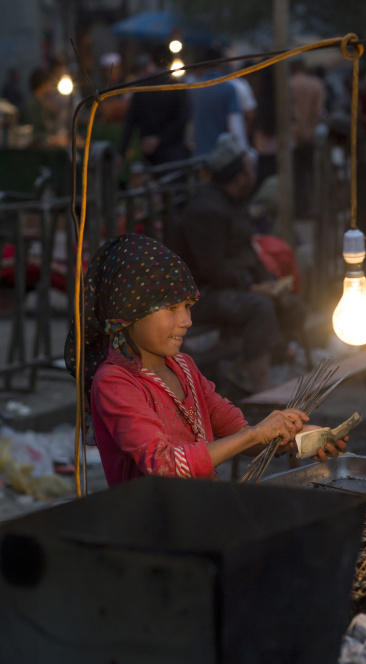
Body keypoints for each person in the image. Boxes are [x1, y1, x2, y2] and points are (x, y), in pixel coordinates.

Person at [64, 233, 347, 487]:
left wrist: (298, 438)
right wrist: (255, 435)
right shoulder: (114, 382)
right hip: (150, 530)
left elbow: (241, 434)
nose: (186, 320)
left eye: (187, 306)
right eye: (172, 309)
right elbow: (166, 466)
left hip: (196, 514)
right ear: (127, 314)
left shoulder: (184, 367)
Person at [177, 132, 308, 393]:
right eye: (249, 170)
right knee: (259, 308)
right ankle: (261, 388)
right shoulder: (205, 210)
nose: (253, 174)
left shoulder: (232, 205)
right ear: (238, 178)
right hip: (206, 293)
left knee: (293, 306)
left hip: (235, 286)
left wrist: (272, 284)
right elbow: (212, 268)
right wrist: (252, 287)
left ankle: (243, 369)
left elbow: (249, 254)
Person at [119, 47, 190, 167]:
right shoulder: (177, 86)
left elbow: (130, 122)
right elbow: (183, 119)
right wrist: (160, 139)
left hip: (151, 154)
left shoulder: (141, 88)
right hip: (173, 154)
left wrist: (121, 153)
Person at [289, 59, 326, 218]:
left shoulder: (288, 84)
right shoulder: (316, 84)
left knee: (295, 176)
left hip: (293, 138)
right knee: (311, 176)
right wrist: (309, 131)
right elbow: (318, 112)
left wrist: (298, 131)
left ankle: (297, 209)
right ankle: (310, 208)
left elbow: (288, 112)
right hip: (310, 137)